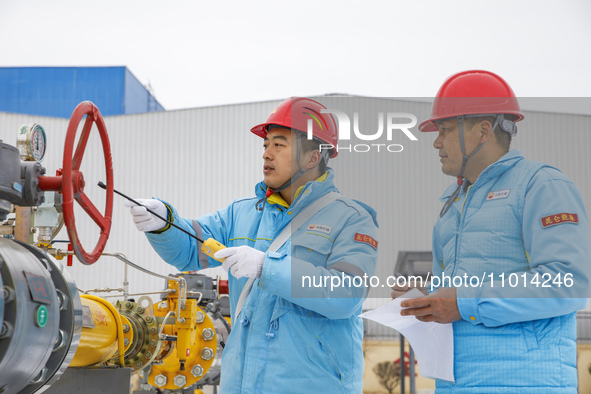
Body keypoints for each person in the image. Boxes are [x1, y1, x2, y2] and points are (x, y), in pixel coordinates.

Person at [126, 97, 378, 393]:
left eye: (279, 145)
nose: (266, 154)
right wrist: (164, 222)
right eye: (265, 145)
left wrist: (266, 267)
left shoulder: (352, 218)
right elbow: (189, 249)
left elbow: (346, 295)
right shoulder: (241, 214)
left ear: (313, 157)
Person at [391, 70, 591, 392]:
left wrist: (465, 301)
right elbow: (457, 291)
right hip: (456, 383)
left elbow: (568, 283)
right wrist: (426, 298)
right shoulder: (451, 203)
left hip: (524, 383)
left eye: (443, 130)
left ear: (482, 131)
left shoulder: (541, 185)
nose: (436, 142)